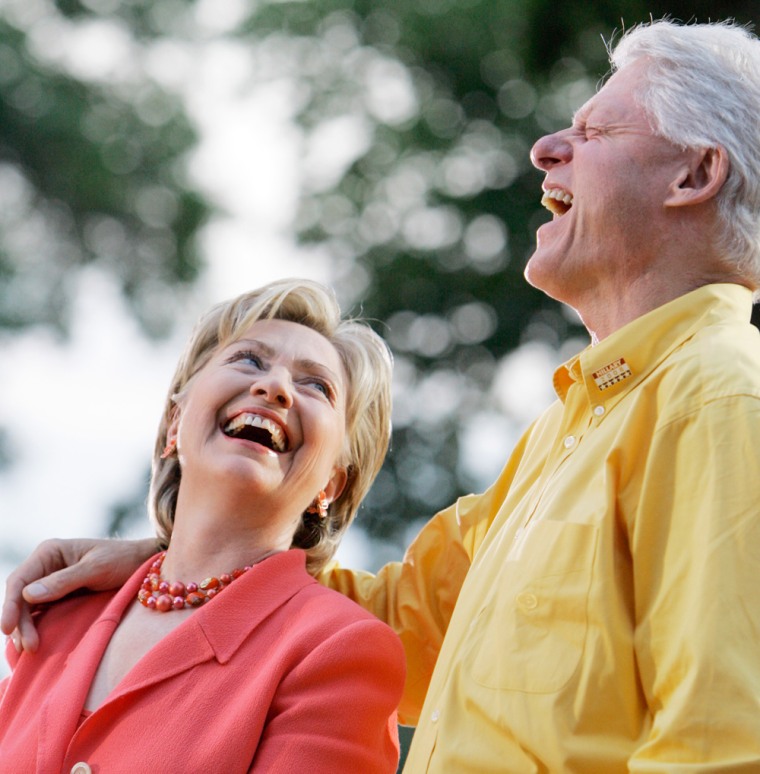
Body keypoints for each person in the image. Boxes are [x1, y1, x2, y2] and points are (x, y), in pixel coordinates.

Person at [5, 18, 760, 772]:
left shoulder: (719, 399)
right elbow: (399, 622)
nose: (547, 148)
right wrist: (166, 568)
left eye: (596, 130)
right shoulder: (574, 426)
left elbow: (723, 745)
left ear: (693, 175)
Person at [0, 279, 406, 773]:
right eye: (250, 360)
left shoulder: (340, 650)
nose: (274, 387)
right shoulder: (58, 618)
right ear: (176, 423)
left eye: (315, 386)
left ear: (332, 485)